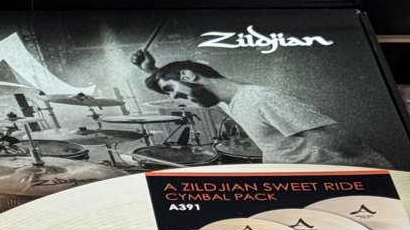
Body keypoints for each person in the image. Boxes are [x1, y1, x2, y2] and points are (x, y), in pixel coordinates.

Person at [129, 50, 393, 167]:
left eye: (171, 88)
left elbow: (341, 142)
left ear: (188, 76)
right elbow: (197, 85)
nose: (175, 97)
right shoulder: (228, 99)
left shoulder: (260, 98)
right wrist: (153, 70)